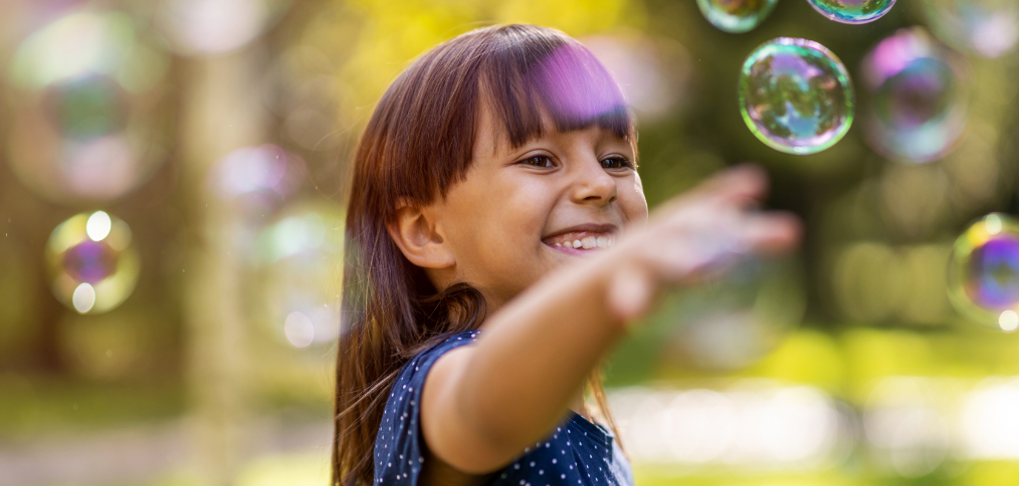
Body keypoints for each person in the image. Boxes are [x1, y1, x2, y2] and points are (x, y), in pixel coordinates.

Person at [331, 23, 800, 486]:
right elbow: (485, 409)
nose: (599, 185)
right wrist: (604, 284)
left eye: (615, 161)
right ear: (427, 232)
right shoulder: (441, 378)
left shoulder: (584, 421)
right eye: (539, 159)